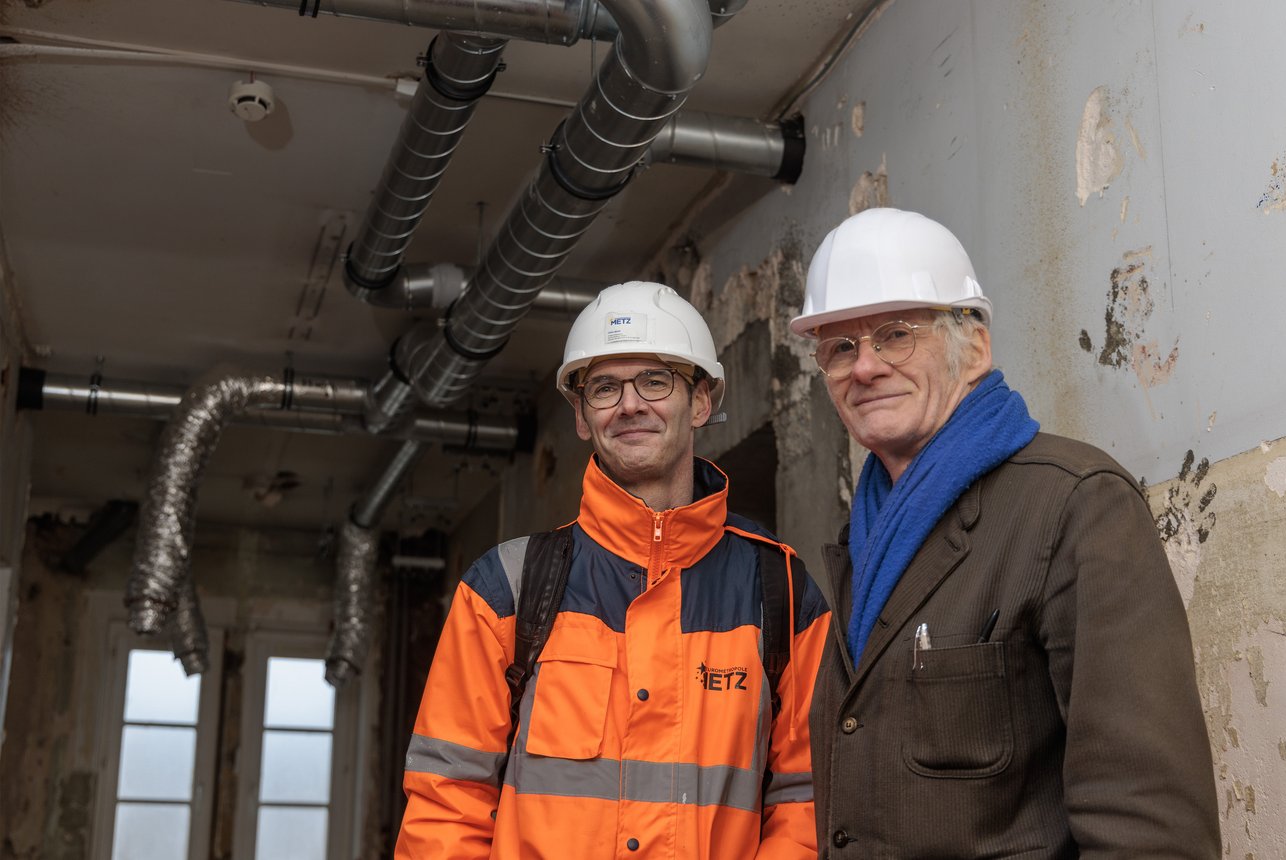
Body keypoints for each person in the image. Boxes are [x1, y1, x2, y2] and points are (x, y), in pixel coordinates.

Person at [793, 208, 1220, 858]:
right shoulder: (866, 537)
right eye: (840, 346)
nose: (864, 367)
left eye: (896, 335)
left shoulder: (1073, 504)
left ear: (975, 347)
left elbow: (1146, 822)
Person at [395, 281, 831, 858]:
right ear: (580, 417)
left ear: (700, 401)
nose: (629, 405)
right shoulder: (506, 588)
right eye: (604, 388)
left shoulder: (781, 590)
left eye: (655, 380)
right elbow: (446, 803)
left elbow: (809, 800)